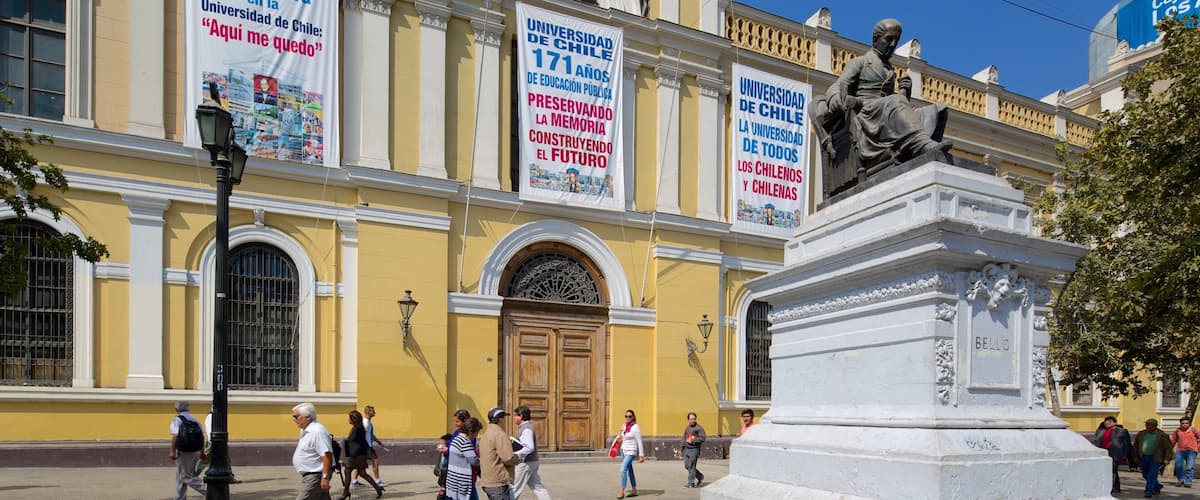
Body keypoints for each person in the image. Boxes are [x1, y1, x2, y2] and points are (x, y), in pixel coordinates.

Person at [812, 19, 950, 173]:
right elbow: (837, 85)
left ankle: (926, 157)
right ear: (876, 39)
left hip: (884, 115)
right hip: (866, 114)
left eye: (896, 41)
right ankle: (922, 145)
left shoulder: (890, 71)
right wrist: (835, 97)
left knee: (938, 110)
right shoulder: (861, 62)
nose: (892, 44)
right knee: (895, 101)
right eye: (889, 39)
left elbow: (895, 108)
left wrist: (905, 92)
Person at [292, 402, 335, 500]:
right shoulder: (306, 430)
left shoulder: (317, 431)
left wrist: (325, 477)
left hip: (315, 476)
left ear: (307, 417)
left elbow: (327, 455)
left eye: (296, 416)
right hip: (312, 475)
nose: (294, 419)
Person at [339, 410, 383, 499]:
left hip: (354, 455)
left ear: (354, 419)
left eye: (349, 418)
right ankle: (378, 489)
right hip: (360, 455)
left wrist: (345, 441)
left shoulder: (357, 429)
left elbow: (353, 441)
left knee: (348, 472)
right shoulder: (359, 428)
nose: (348, 420)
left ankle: (345, 493)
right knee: (362, 473)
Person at [511, 406, 552, 499]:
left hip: (526, 463)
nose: (514, 418)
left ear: (520, 416)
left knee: (515, 488)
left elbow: (529, 447)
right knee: (537, 487)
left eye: (515, 416)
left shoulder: (526, 429)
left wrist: (516, 454)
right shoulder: (525, 427)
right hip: (531, 462)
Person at [169, 401, 207, 500]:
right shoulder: (195, 420)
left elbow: (175, 436)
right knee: (181, 474)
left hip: (183, 451)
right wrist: (202, 451)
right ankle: (180, 497)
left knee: (186, 476)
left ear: (176, 410)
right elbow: (202, 436)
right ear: (188, 409)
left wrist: (172, 450)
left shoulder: (177, 420)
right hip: (196, 450)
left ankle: (210, 491)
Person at [479, 407, 519, 500]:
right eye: (504, 418)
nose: (505, 421)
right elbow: (508, 458)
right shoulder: (500, 434)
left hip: (487, 480)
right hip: (498, 481)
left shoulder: (486, 434)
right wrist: (518, 458)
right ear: (500, 419)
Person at [1134, 418, 1174, 497]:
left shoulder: (1162, 435)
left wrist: (1167, 458)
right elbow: (1136, 445)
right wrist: (1135, 456)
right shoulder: (1141, 434)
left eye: (1150, 425)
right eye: (1146, 425)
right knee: (1145, 474)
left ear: (1155, 426)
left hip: (1155, 458)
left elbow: (1168, 448)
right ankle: (1157, 486)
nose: (1147, 426)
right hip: (1143, 457)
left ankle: (1148, 491)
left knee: (1152, 475)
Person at [1092, 415, 1132, 494]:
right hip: (1103, 453)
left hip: (1115, 453)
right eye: (1106, 421)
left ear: (1115, 423)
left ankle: (1111, 487)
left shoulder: (1121, 431)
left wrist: (1124, 454)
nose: (1107, 423)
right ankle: (1116, 487)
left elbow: (1127, 444)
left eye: (1109, 421)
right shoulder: (1101, 431)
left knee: (1112, 470)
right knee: (1112, 470)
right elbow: (1095, 440)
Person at [446, 417, 484, 500]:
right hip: (462, 481)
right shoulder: (465, 442)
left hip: (453, 479)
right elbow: (474, 461)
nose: (477, 435)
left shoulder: (456, 439)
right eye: (477, 432)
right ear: (470, 431)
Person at [613, 409, 645, 499]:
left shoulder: (635, 427)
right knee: (629, 470)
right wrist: (618, 436)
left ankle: (622, 491)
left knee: (623, 469)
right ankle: (634, 490)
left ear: (633, 417)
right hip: (623, 450)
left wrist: (641, 455)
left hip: (631, 451)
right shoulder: (624, 426)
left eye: (630, 416)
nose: (627, 418)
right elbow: (620, 438)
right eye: (626, 416)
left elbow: (639, 442)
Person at [354, 405, 385, 488]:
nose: (375, 412)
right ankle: (377, 481)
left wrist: (378, 441)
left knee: (360, 464)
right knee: (376, 462)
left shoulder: (368, 422)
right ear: (369, 412)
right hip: (366, 447)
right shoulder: (365, 423)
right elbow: (360, 434)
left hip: (367, 446)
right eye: (373, 411)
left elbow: (370, 434)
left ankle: (354, 480)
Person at [679, 412, 707, 488]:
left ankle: (691, 483)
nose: (693, 420)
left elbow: (702, 438)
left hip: (695, 449)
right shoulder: (687, 428)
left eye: (694, 419)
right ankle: (700, 476)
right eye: (691, 419)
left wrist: (693, 440)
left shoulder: (699, 428)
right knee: (687, 466)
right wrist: (681, 449)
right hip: (687, 449)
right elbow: (683, 438)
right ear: (688, 420)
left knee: (691, 465)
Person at [1171, 416, 1199, 487]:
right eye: (1183, 423)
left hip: (1191, 451)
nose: (1185, 424)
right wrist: (1169, 450)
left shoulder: (1194, 430)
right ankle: (1180, 480)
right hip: (1180, 451)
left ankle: (1188, 482)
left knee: (1189, 467)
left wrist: (1197, 448)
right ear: (1180, 424)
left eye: (1186, 423)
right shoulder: (1177, 431)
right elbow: (1173, 441)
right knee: (1178, 466)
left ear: (1189, 424)